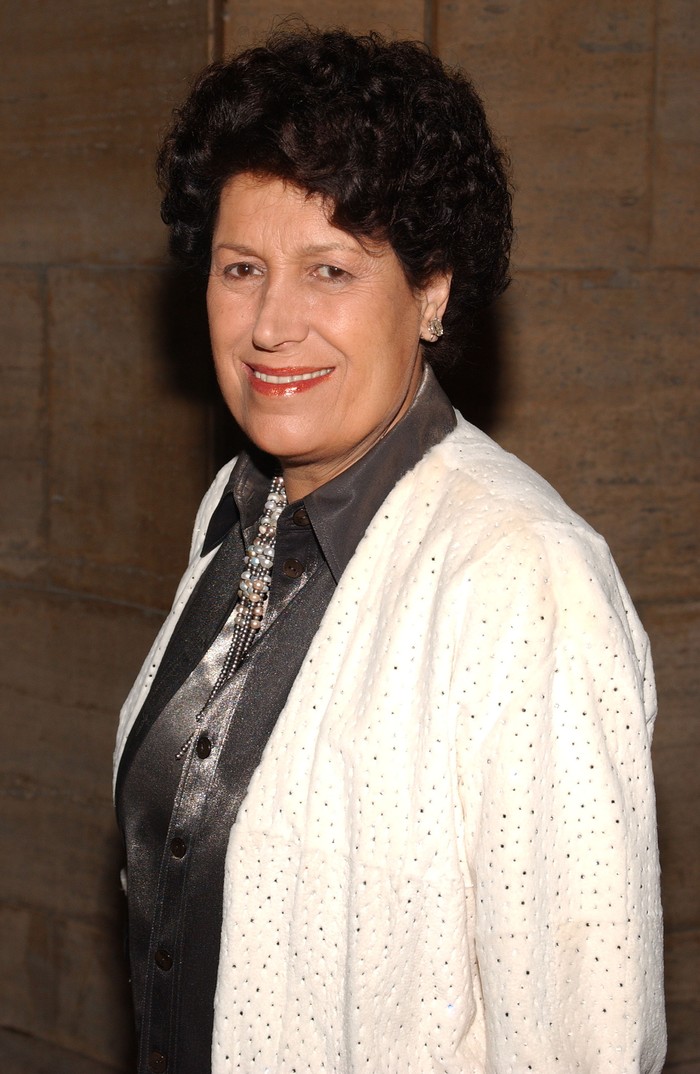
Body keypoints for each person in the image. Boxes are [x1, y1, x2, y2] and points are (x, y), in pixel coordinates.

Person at [114, 25, 666, 1074]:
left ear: (430, 292)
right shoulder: (232, 509)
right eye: (241, 268)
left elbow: (583, 1039)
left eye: (329, 270)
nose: (271, 323)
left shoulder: (525, 578)